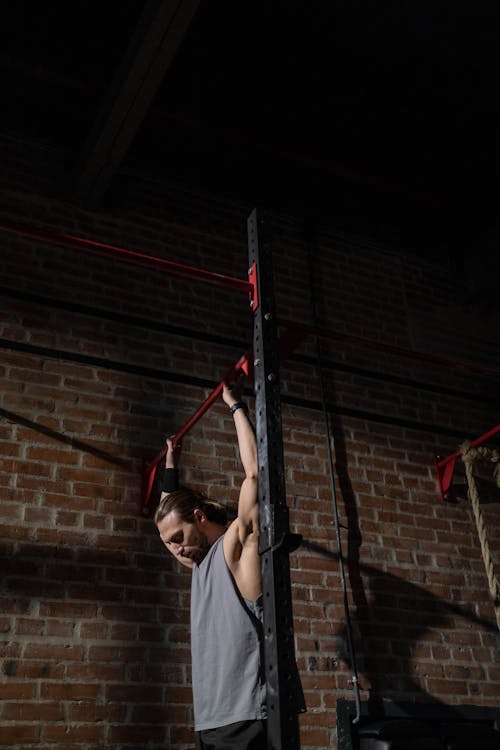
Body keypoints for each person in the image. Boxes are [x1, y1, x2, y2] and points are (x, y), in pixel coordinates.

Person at [155, 381, 267, 750]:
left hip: (248, 716)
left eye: (177, 539)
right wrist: (171, 461)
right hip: (210, 719)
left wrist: (235, 407)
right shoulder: (198, 564)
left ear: (200, 517)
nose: (175, 550)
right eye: (167, 543)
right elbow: (170, 508)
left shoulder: (234, 548)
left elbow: (254, 476)